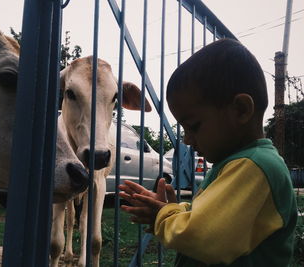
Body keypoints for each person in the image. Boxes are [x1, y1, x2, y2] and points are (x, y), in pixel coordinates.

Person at [119, 38, 297, 266]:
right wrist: (176, 210)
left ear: (241, 110)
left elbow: (204, 237)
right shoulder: (241, 163)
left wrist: (164, 216)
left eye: (193, 126)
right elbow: (222, 220)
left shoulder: (255, 166)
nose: (186, 139)